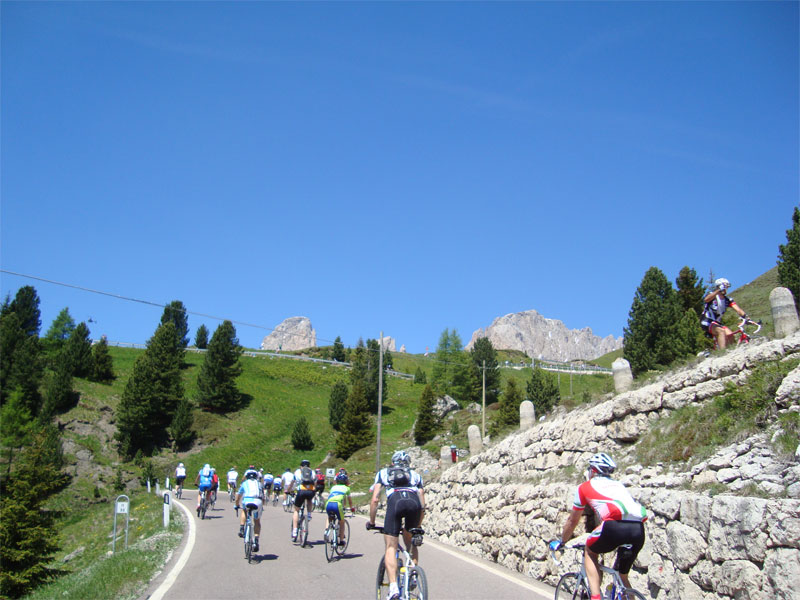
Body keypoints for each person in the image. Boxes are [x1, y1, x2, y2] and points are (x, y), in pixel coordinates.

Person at [549, 453, 647, 600]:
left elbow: (572, 520)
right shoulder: (619, 485)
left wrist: (563, 541)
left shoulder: (584, 487)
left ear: (593, 470)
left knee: (590, 551)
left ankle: (595, 597)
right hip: (638, 530)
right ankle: (627, 593)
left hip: (613, 527)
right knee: (622, 576)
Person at [367, 450, 425, 600]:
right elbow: (423, 504)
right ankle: (412, 575)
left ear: (393, 463)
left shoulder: (383, 473)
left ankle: (393, 587)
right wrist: (417, 526)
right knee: (411, 542)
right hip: (414, 504)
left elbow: (374, 500)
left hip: (395, 503)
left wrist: (372, 521)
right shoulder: (416, 476)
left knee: (391, 546)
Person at [700, 278, 749, 350]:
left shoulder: (728, 300)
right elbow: (706, 299)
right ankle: (722, 352)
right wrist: (718, 291)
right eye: (724, 288)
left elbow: (738, 309)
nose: (725, 290)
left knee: (730, 335)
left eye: (726, 288)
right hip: (707, 321)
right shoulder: (712, 296)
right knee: (721, 332)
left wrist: (746, 317)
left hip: (717, 323)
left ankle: (732, 351)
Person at [236, 467, 263, 553]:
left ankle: (241, 527)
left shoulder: (244, 483)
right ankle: (256, 540)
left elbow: (238, 496)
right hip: (257, 501)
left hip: (247, 500)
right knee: (257, 521)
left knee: (244, 510)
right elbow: (263, 496)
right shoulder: (259, 484)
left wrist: (236, 504)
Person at [290, 459, 317, 541]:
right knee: (309, 500)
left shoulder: (297, 472)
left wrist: (290, 490)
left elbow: (293, 482)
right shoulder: (312, 472)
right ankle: (309, 514)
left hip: (301, 491)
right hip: (311, 491)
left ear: (300, 466)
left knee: (296, 510)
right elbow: (315, 483)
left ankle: (294, 531)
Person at [326, 472, 354, 546]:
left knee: (329, 517)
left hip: (328, 504)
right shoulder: (347, 488)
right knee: (342, 522)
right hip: (337, 505)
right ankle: (341, 541)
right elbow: (349, 501)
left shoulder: (333, 487)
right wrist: (352, 508)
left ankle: (326, 531)